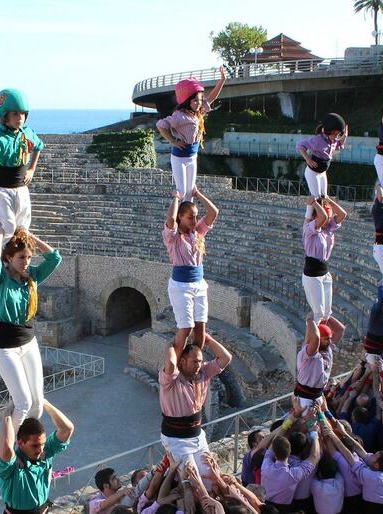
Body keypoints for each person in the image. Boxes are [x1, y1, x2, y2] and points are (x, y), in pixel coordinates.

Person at [0, 225, 62, 431]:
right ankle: (9, 449)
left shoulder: (32, 276)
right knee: (23, 404)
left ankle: (26, 443)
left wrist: (31, 237)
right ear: (9, 258)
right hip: (5, 346)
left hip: (28, 342)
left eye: (29, 258)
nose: (26, 263)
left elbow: (55, 258)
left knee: (37, 404)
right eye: (22, 257)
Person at [159, 324, 232, 479]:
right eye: (195, 362)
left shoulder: (203, 373)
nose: (199, 365)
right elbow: (171, 364)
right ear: (183, 361)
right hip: (176, 439)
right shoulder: (171, 380)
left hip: (197, 435)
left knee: (210, 475)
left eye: (200, 361)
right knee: (191, 478)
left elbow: (226, 358)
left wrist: (208, 340)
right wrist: (170, 345)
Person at [0, 88, 44, 241]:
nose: (20, 117)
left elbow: (38, 147)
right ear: (4, 116)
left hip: (20, 185)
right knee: (9, 225)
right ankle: (3, 258)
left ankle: (17, 256)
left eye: (22, 113)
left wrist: (32, 169)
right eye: (15, 114)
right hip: (0, 187)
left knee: (23, 227)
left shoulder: (28, 133)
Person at [156, 68, 226, 201]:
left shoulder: (198, 112)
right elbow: (161, 125)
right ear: (187, 101)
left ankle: (188, 219)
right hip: (180, 157)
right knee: (181, 191)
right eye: (195, 101)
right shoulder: (179, 116)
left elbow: (212, 97)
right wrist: (172, 141)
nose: (199, 103)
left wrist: (222, 80)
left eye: (199, 100)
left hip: (192, 156)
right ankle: (178, 216)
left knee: (190, 192)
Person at [0, 400, 74, 514]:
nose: (40, 450)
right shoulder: (11, 465)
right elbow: (6, 448)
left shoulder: (46, 452)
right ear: (20, 443)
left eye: (43, 444)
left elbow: (67, 429)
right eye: (35, 446)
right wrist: (7, 414)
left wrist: (42, 401)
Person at [163, 188, 219, 353]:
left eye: (195, 217)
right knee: (186, 328)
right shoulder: (172, 237)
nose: (194, 221)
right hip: (181, 286)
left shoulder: (198, 232)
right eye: (190, 217)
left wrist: (197, 194)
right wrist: (176, 198)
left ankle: (195, 361)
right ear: (181, 216)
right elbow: (171, 218)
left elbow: (213, 212)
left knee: (200, 326)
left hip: (199, 284)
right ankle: (179, 362)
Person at [323, 420, 383, 514]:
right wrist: (345, 433)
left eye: (374, 456)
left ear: (376, 465)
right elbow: (361, 451)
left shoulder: (371, 476)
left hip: (376, 509)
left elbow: (347, 454)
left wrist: (332, 435)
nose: (371, 455)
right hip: (377, 505)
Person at [301, 196, 347, 325]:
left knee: (327, 313)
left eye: (330, 215)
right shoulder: (309, 228)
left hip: (324, 272)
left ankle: (323, 339)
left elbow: (343, 214)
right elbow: (323, 218)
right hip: (313, 274)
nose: (329, 219)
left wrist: (327, 199)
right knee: (318, 313)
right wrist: (314, 203)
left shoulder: (329, 229)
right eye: (328, 215)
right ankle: (311, 341)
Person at [296, 113, 348, 218]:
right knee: (316, 197)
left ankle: (325, 217)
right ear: (329, 131)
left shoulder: (332, 141)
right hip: (313, 172)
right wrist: (308, 160)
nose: (337, 137)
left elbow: (339, 145)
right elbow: (300, 145)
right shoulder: (318, 140)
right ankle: (309, 220)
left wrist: (345, 135)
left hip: (322, 172)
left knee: (324, 196)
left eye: (338, 135)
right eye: (336, 134)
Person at [293, 313, 344, 413]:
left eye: (329, 338)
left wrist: (325, 315)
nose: (329, 342)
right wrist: (309, 320)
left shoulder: (326, 349)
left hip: (318, 396)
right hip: (304, 399)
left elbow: (340, 330)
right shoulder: (307, 353)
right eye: (326, 339)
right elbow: (315, 338)